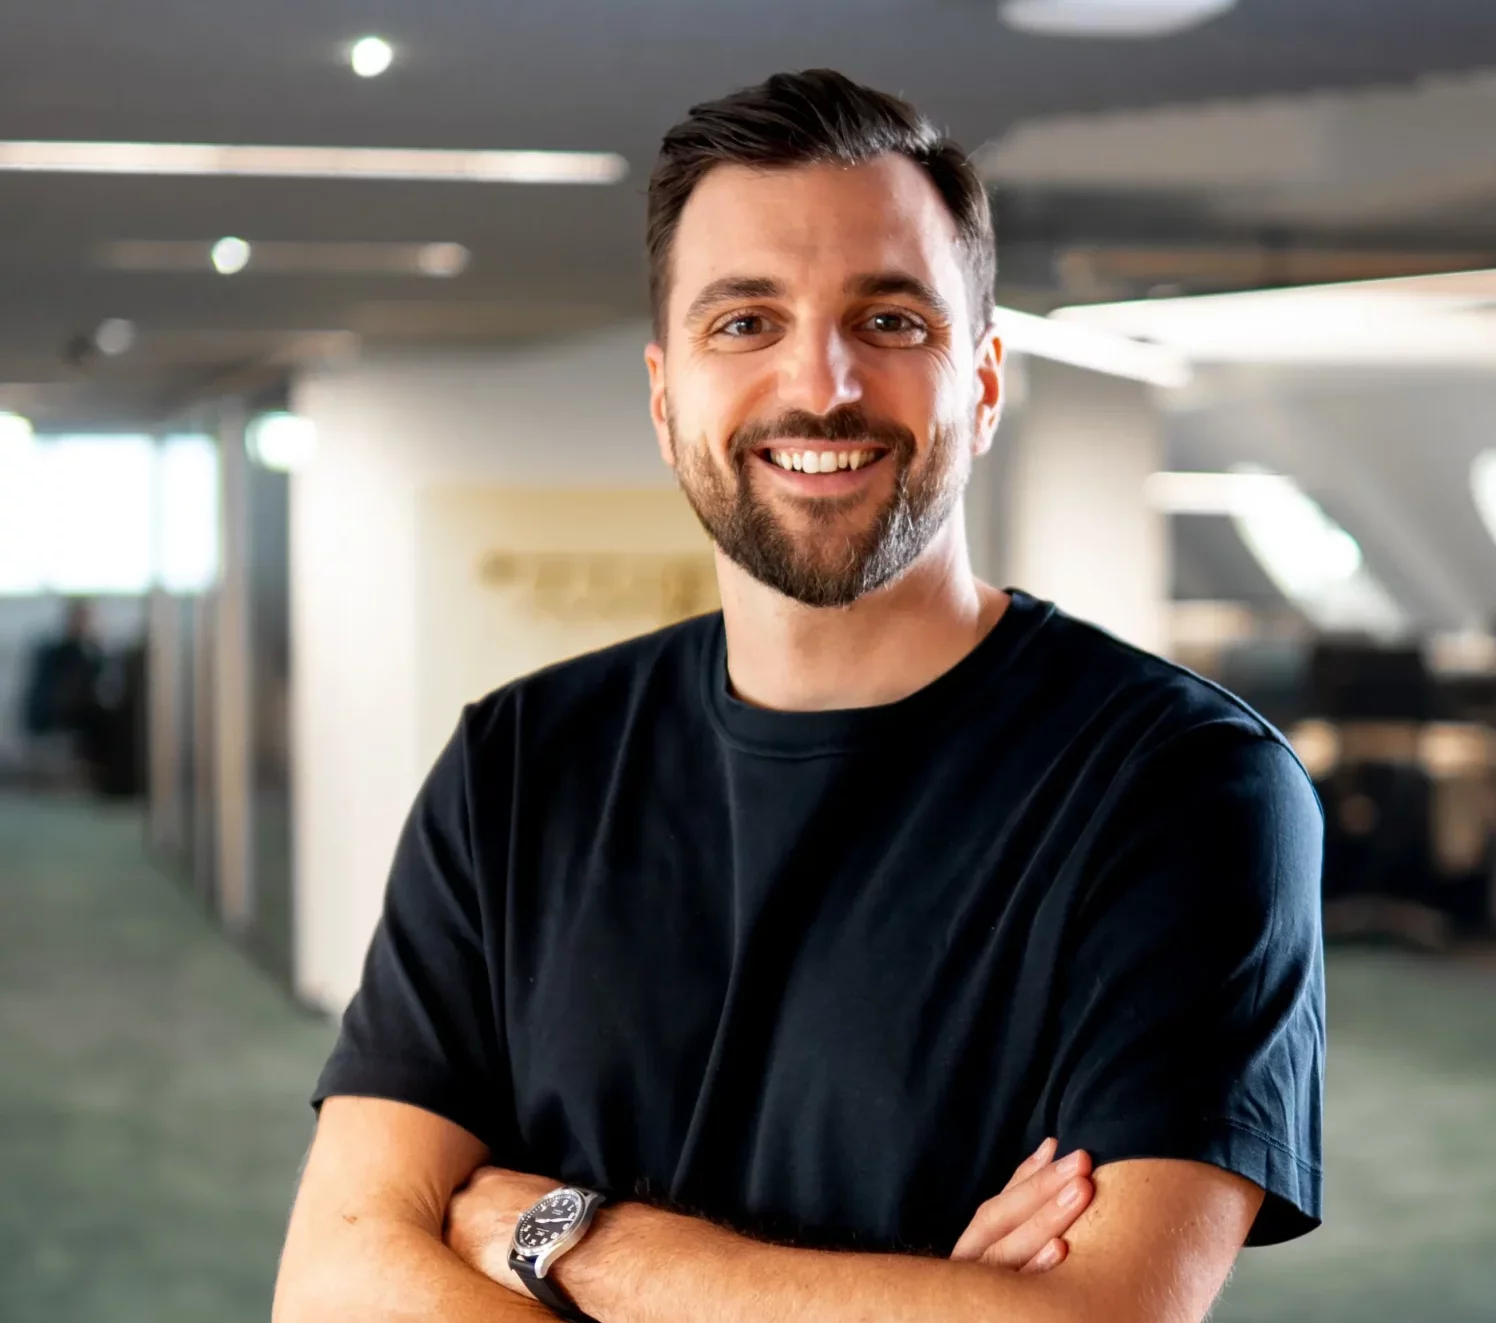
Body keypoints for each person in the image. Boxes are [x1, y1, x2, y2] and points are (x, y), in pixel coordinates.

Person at [275, 70, 1324, 1323]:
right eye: (743, 323)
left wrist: (576, 1241)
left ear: (983, 385)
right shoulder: (518, 761)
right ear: (667, 402)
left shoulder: (1184, 785)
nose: (819, 383)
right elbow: (336, 1285)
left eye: (890, 322)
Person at [19, 598, 103, 789]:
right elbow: (60, 695)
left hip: (67, 713)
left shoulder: (87, 651)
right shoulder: (59, 652)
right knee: (98, 718)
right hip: (50, 714)